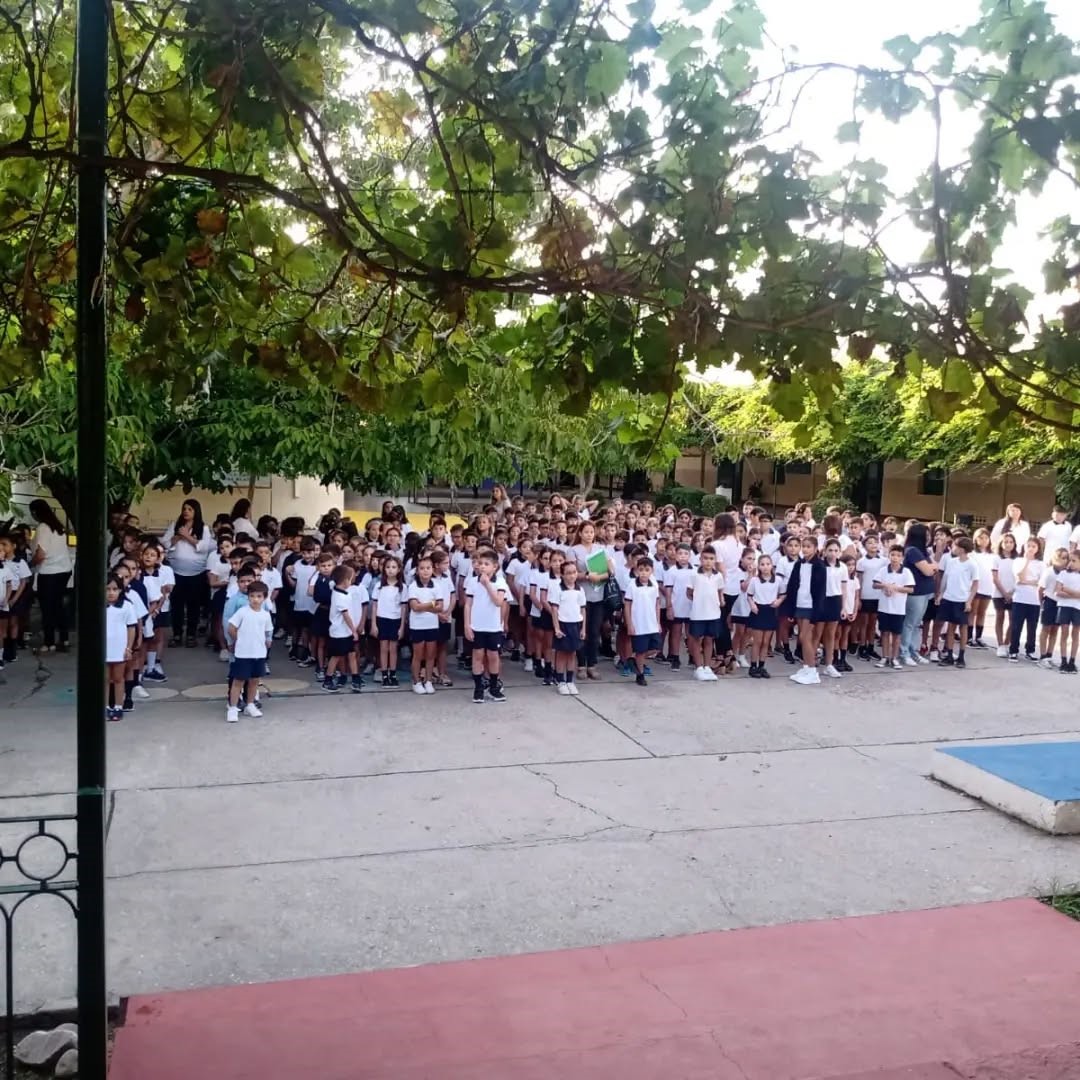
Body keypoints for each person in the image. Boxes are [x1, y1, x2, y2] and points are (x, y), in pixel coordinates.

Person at [162, 498, 215, 647]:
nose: (186, 511)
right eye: (184, 508)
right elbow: (165, 543)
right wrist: (178, 537)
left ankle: (191, 634)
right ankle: (177, 634)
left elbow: (205, 547)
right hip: (176, 572)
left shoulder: (203, 528)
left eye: (190, 509)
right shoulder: (175, 525)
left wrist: (187, 537)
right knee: (177, 604)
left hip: (196, 573)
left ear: (196, 511)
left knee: (194, 605)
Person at [569, 521, 614, 681]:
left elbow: (610, 571)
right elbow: (571, 573)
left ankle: (592, 665)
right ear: (580, 533)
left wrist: (599, 576)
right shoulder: (573, 550)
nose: (589, 534)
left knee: (595, 632)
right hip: (581, 597)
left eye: (591, 532)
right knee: (582, 631)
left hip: (598, 596)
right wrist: (587, 576)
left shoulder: (601, 550)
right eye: (586, 532)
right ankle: (581, 665)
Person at [464, 550, 509, 703]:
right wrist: (467, 625)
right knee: (477, 656)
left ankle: (494, 687)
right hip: (477, 626)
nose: (482, 567)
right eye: (480, 563)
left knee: (493, 656)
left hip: (494, 627)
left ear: (495, 567)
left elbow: (498, 602)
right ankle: (478, 688)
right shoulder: (472, 582)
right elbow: (468, 605)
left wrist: (487, 584)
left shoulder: (500, 582)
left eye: (486, 564)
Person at [28, 499, 72, 653]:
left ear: (35, 512)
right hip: (64, 570)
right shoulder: (58, 527)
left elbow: (41, 554)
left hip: (49, 572)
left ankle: (49, 642)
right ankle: (64, 639)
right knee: (58, 605)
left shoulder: (43, 528)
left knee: (47, 608)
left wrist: (30, 564)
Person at [225, 581, 273, 722]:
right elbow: (231, 627)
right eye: (252, 596)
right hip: (243, 653)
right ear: (248, 597)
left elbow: (268, 631)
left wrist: (267, 641)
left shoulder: (265, 614)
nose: (255, 599)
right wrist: (238, 640)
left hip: (259, 653)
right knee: (238, 681)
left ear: (264, 597)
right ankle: (233, 707)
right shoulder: (243, 612)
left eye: (259, 596)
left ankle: (250, 705)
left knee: (254, 681)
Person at [787, 535, 827, 685]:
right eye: (803, 546)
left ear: (816, 548)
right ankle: (805, 667)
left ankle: (812, 671)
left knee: (805, 637)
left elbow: (820, 592)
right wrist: (792, 609)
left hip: (811, 607)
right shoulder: (799, 564)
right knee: (802, 638)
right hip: (800, 604)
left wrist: (816, 615)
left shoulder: (819, 566)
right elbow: (793, 585)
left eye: (809, 547)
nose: (805, 549)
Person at [935, 536, 978, 668]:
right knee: (950, 627)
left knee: (963, 627)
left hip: (962, 599)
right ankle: (949, 654)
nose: (952, 548)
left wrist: (969, 601)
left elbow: (975, 584)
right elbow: (946, 580)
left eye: (955, 546)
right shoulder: (952, 562)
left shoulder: (971, 564)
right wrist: (941, 594)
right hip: (949, 598)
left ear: (962, 549)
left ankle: (961, 656)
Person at [899, 523, 937, 665]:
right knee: (910, 623)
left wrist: (932, 566)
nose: (929, 538)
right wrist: (932, 567)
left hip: (926, 592)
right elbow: (928, 570)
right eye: (926, 535)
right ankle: (904, 652)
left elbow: (935, 566)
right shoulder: (912, 551)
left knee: (916, 624)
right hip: (916, 592)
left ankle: (913, 651)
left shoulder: (923, 551)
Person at [873, 546, 915, 670]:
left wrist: (895, 588)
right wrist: (885, 586)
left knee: (897, 634)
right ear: (889, 556)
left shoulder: (906, 572)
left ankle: (894, 658)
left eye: (898, 555)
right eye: (892, 555)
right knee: (884, 633)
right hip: (884, 607)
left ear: (902, 557)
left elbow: (910, 589)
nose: (895, 558)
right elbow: (875, 584)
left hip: (898, 609)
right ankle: (885, 657)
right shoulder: (883, 571)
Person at [549, 559, 586, 695]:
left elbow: (583, 610)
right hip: (563, 624)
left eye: (574, 572)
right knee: (561, 654)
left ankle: (570, 680)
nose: (572, 576)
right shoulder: (558, 589)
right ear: (563, 575)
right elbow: (554, 609)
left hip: (576, 624)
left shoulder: (579, 589)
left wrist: (583, 629)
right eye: (568, 573)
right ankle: (560, 681)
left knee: (572, 653)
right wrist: (557, 628)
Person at [624, 556, 661, 687]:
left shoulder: (654, 585)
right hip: (638, 624)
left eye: (647, 569)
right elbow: (627, 605)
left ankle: (633, 660)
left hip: (651, 623)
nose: (644, 572)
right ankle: (640, 674)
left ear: (652, 570)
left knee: (655, 648)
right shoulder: (632, 585)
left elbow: (657, 604)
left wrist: (658, 622)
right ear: (637, 570)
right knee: (640, 650)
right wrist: (629, 624)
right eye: (641, 569)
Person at [323, 565, 361, 694]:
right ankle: (327, 679)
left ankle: (356, 678)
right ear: (345, 580)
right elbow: (346, 616)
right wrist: (354, 630)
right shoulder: (339, 597)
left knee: (351, 654)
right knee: (336, 656)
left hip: (346, 632)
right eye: (350, 579)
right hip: (339, 632)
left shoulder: (339, 590)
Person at [105, 574, 138, 722]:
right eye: (107, 589)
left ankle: (118, 705)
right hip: (103, 650)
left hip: (119, 649)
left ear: (120, 590)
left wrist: (128, 648)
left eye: (114, 589)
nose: (111, 593)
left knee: (118, 678)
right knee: (105, 679)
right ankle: (105, 706)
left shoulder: (127, 606)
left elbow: (131, 628)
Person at [371, 554, 407, 687]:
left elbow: (404, 608)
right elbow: (374, 606)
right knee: (383, 647)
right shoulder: (379, 586)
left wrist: (402, 627)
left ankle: (393, 673)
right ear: (384, 569)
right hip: (382, 619)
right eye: (387, 567)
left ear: (399, 569)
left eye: (393, 567)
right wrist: (374, 624)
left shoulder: (402, 587)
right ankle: (384, 673)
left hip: (395, 620)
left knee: (393, 648)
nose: (390, 570)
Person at [407, 555, 441, 695]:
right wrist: (432, 603)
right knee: (418, 655)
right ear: (417, 571)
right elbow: (414, 607)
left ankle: (428, 681)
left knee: (431, 655)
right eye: (422, 568)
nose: (425, 571)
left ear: (432, 569)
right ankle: (416, 681)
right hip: (417, 625)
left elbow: (440, 607)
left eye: (428, 568)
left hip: (432, 625)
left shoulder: (436, 585)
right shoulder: (413, 586)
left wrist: (424, 605)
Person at [746, 554, 784, 679]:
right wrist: (752, 605)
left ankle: (762, 665)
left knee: (766, 642)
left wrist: (778, 601)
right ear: (759, 566)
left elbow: (783, 594)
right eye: (762, 564)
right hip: (759, 610)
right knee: (757, 641)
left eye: (768, 564)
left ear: (772, 565)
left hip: (770, 610)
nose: (765, 567)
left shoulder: (777, 580)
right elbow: (749, 595)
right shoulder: (755, 581)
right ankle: (753, 666)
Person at [1008, 537, 1045, 662]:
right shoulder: (1018, 561)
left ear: (1038, 549)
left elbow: (1040, 582)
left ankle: (1030, 650)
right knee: (1016, 626)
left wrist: (1027, 582)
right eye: (1028, 545)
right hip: (1019, 598)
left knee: (1032, 627)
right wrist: (1027, 562)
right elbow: (1019, 578)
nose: (1030, 548)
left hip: (1034, 600)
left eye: (1034, 546)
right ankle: (1013, 650)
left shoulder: (1041, 564)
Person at [1037, 547, 1069, 669]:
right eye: (1061, 557)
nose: (1064, 560)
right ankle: (1043, 656)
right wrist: (1041, 604)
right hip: (1049, 601)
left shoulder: (1066, 573)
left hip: (1060, 603)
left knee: (1055, 630)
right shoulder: (1049, 572)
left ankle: (1049, 655)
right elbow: (1040, 589)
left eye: (1066, 557)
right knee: (1046, 628)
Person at [991, 532, 1019, 658]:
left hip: (1014, 593)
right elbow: (995, 578)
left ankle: (1007, 642)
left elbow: (1019, 577)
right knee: (1000, 617)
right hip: (999, 593)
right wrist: (1004, 593)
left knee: (1013, 619)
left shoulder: (1018, 560)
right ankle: (1000, 644)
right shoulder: (996, 558)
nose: (1008, 544)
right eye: (1006, 542)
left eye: (1011, 542)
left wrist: (1011, 592)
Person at [1053, 550, 1080, 674]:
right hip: (1064, 607)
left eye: (1074, 561)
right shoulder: (1063, 573)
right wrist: (1075, 595)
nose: (1071, 563)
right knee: (1064, 633)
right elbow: (1058, 591)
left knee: (1075, 635)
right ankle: (1063, 661)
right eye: (1070, 560)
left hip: (1077, 608)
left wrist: (1067, 590)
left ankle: (1072, 662)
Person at [968, 527, 995, 649]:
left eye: (986, 538)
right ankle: (968, 636)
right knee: (972, 612)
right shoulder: (972, 554)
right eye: (981, 538)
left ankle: (978, 636)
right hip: (975, 586)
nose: (984, 540)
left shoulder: (992, 555)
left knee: (982, 612)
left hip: (988, 586)